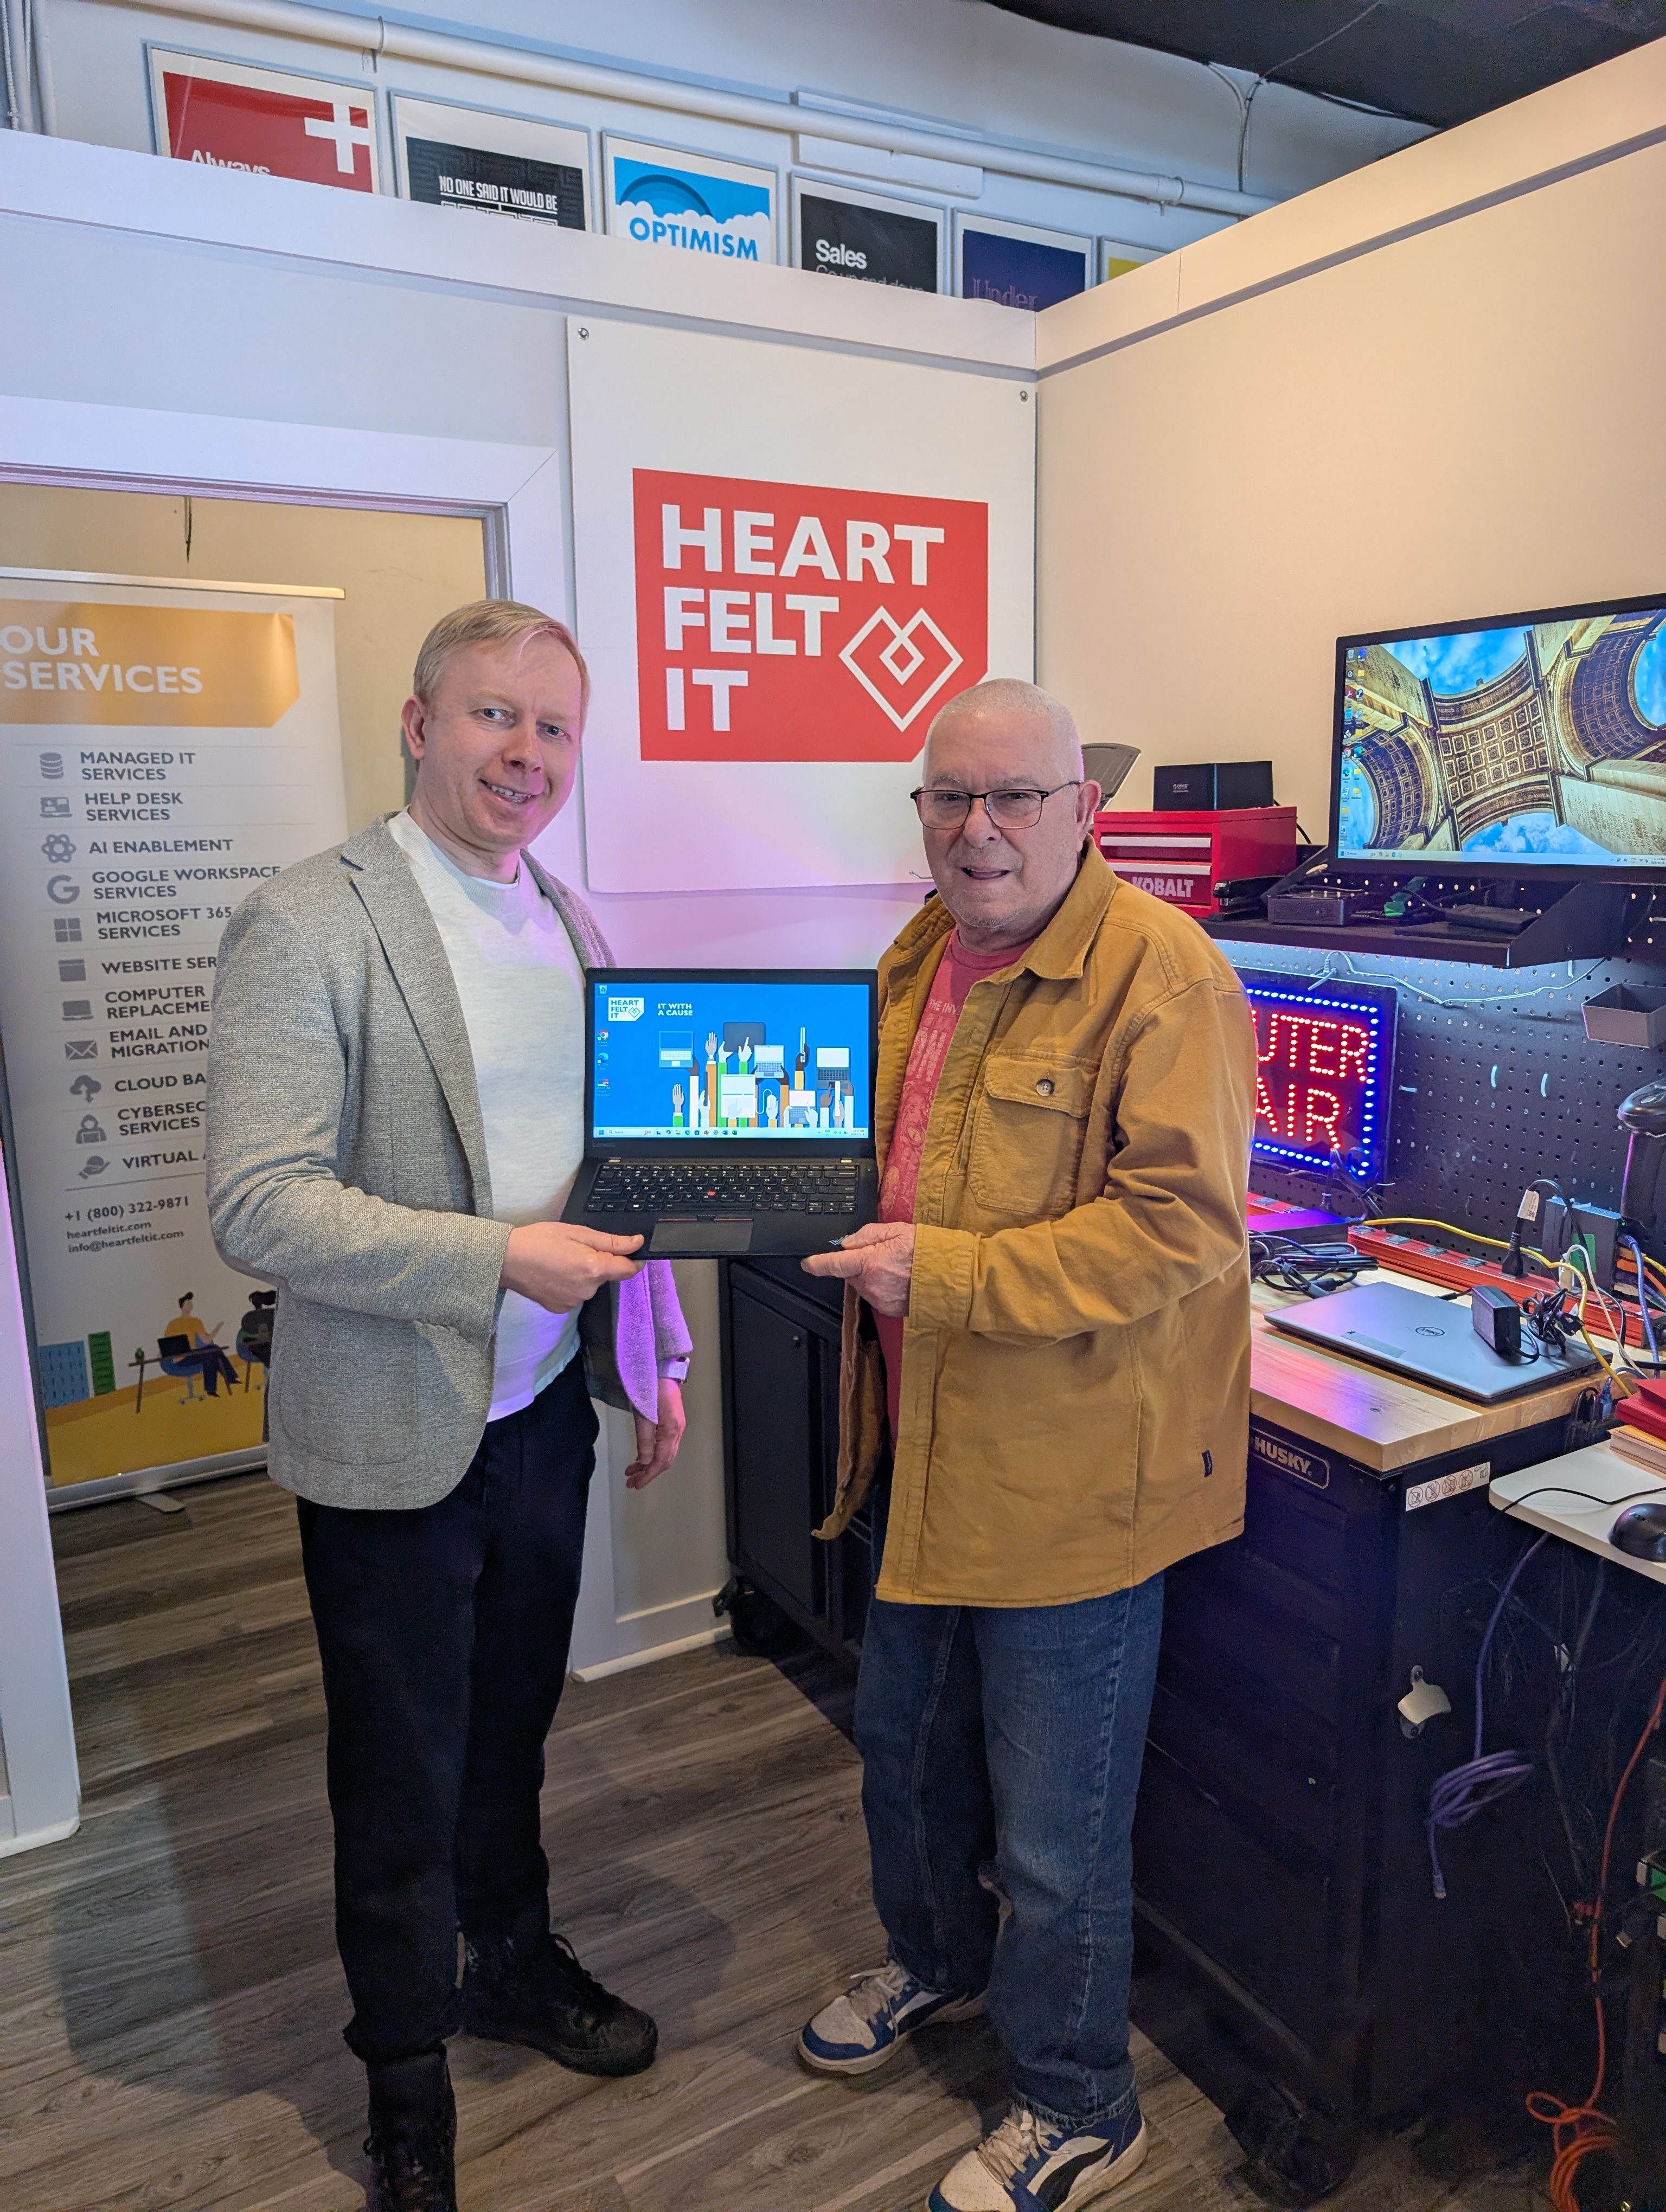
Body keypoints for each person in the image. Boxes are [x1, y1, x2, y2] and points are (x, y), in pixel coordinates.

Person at [207, 601, 692, 2212]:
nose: (527, 756)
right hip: (391, 1430)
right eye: (495, 717)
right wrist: (501, 1260)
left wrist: (660, 1348)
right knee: (399, 1766)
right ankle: (404, 2077)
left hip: (543, 1414)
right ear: (419, 724)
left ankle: (507, 1956)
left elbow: (623, 1177)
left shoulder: (577, 924)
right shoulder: (311, 921)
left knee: (509, 1729)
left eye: (555, 728)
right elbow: (261, 1205)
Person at [796, 678, 1255, 2212]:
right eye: (949, 799)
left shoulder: (1164, 974)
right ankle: (938, 1965)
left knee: (1057, 1836)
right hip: (924, 1452)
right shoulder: (919, 953)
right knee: (906, 1763)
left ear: (1084, 809)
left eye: (1014, 798)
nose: (978, 831)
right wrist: (719, 1180)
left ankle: (1081, 2106)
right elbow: (877, 1151)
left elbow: (1180, 1229)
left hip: (1073, 1488)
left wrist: (952, 1275)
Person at [158, 1291, 239, 1397]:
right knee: (212, 1353)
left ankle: (222, 1383)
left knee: (215, 1349)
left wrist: (217, 1328)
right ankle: (224, 1381)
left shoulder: (196, 1322)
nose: (190, 1306)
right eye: (187, 1304)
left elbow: (206, 1340)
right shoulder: (173, 1324)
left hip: (192, 1354)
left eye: (191, 1304)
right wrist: (162, 1355)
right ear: (182, 1306)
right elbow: (166, 1342)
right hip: (179, 1357)